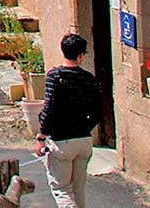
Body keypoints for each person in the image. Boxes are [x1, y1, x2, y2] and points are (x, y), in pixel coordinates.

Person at [37, 33, 103, 208]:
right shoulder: (90, 79)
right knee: (78, 188)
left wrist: (41, 137)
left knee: (61, 189)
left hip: (62, 140)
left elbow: (49, 108)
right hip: (84, 140)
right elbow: (98, 111)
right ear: (81, 56)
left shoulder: (55, 76)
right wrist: (85, 127)